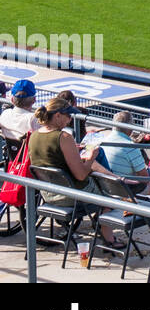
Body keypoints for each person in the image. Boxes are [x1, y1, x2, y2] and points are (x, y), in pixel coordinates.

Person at [28, 98, 121, 246]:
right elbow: (81, 175)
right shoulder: (64, 137)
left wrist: (75, 152)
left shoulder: (34, 135)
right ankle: (109, 239)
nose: (70, 119)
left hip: (48, 193)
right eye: (68, 115)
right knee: (110, 191)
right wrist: (91, 158)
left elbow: (51, 160)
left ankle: (102, 225)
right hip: (71, 195)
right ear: (57, 115)